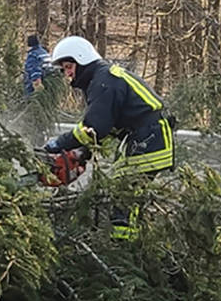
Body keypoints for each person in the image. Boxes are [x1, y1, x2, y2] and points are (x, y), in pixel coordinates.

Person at [40, 36, 173, 238]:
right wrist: (82, 154)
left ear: (81, 58)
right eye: (64, 69)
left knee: (124, 196)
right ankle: (129, 241)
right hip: (144, 137)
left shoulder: (104, 81)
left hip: (150, 138)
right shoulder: (102, 78)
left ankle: (125, 250)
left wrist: (58, 144)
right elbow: (107, 129)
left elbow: (93, 128)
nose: (67, 74)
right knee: (121, 190)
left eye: (68, 66)